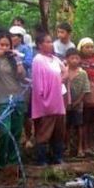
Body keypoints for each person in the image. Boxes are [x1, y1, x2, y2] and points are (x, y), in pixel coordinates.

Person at [0, 31, 26, 175]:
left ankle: (13, 161)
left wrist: (18, 61)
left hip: (17, 97)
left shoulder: (13, 59)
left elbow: (22, 76)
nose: (4, 47)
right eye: (1, 44)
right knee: (4, 130)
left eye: (7, 45)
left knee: (16, 131)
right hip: (1, 99)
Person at [31, 34, 67, 165]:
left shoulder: (55, 59)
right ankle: (41, 159)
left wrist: (59, 81)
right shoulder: (38, 60)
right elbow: (38, 83)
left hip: (58, 99)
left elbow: (65, 72)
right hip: (46, 101)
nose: (51, 44)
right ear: (40, 45)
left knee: (59, 130)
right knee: (45, 130)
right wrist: (43, 98)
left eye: (51, 42)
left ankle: (57, 156)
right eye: (47, 42)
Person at [77, 38, 94, 155]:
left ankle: (91, 145)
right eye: (86, 47)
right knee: (84, 120)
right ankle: (84, 145)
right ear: (81, 48)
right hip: (85, 93)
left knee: (93, 120)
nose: (90, 49)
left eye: (91, 47)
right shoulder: (79, 60)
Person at [65, 48, 89, 157]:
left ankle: (80, 148)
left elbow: (85, 89)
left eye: (77, 58)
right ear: (67, 59)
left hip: (78, 105)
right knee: (67, 126)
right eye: (72, 58)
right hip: (65, 104)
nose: (74, 60)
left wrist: (78, 101)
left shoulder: (83, 73)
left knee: (79, 125)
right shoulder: (64, 71)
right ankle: (67, 147)